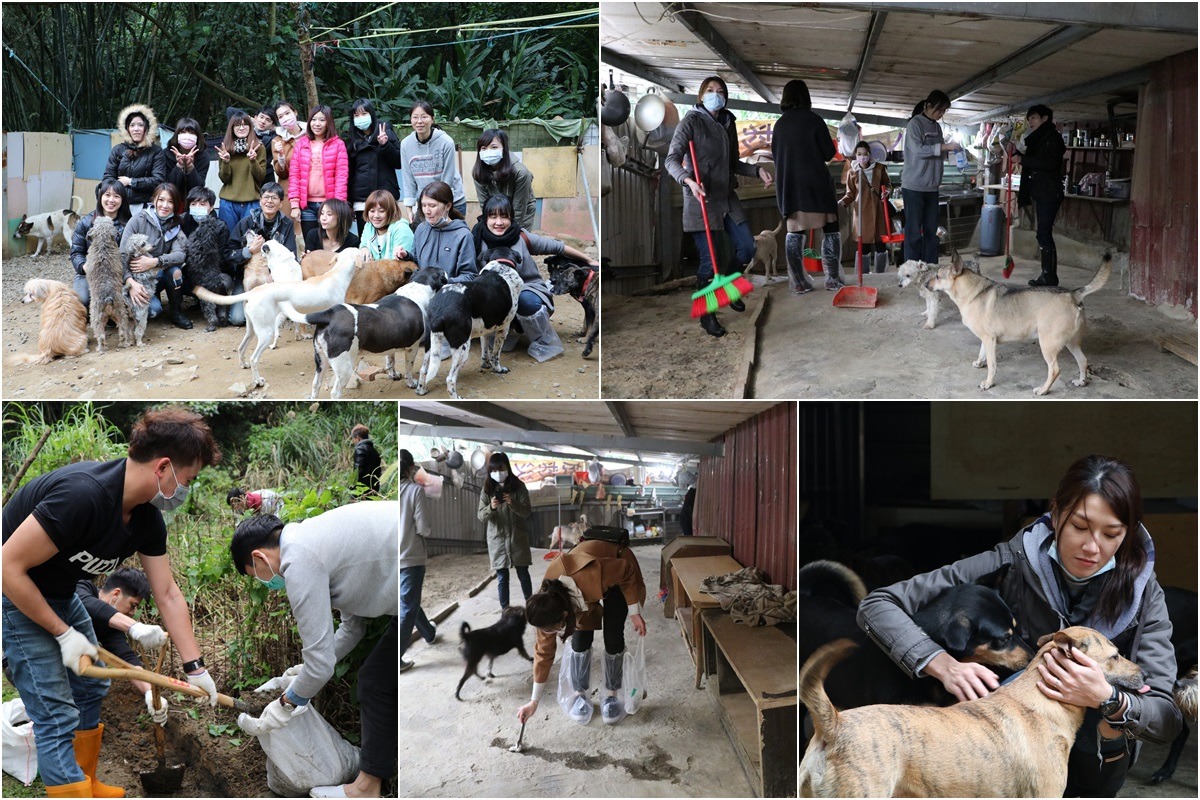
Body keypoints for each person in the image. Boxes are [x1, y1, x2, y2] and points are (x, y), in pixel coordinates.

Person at [857, 454, 1181, 797]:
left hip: (1098, 754)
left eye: (1111, 533)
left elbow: (1167, 718)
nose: (1092, 547)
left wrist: (1107, 698)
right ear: (1055, 514)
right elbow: (878, 605)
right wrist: (941, 663)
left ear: (1128, 533)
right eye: (1079, 527)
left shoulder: (1144, 596)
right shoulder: (1009, 563)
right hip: (1000, 754)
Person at [2, 407, 223, 798]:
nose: (186, 490)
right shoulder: (82, 495)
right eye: (188, 480)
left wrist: (195, 668)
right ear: (163, 467)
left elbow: (168, 593)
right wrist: (62, 633)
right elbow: (7, 567)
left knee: (90, 690)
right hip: (12, 594)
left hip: (60, 593)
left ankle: (84, 781)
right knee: (55, 715)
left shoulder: (146, 520)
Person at [229, 501, 397, 799]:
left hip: (411, 579)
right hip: (408, 573)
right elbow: (352, 627)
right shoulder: (311, 541)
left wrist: (285, 704)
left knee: (374, 682)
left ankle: (366, 788)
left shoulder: (299, 559)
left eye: (256, 575)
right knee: (379, 679)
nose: (264, 583)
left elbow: (320, 665)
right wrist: (301, 673)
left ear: (259, 557)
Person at [665, 75, 772, 338]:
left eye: (720, 91)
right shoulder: (691, 121)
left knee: (747, 247)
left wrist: (757, 170)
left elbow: (733, 163)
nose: (716, 94)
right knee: (708, 262)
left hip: (726, 197)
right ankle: (707, 313)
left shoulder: (728, 121)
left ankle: (728, 289)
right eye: (710, 90)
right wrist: (688, 180)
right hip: (700, 197)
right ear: (701, 96)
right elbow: (671, 159)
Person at [519, 538, 648, 726]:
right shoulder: (545, 605)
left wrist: (634, 612)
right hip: (581, 589)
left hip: (614, 573)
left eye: (555, 629)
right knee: (579, 642)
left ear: (564, 614)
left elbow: (626, 570)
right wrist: (534, 701)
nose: (551, 633)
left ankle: (612, 695)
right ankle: (580, 695)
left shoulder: (595, 575)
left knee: (613, 635)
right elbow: (543, 652)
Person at [473, 194, 598, 361]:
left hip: (526, 288)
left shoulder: (521, 237)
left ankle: (542, 341)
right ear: (485, 218)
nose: (499, 222)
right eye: (493, 216)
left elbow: (557, 246)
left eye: (504, 216)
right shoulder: (475, 240)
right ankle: (504, 334)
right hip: (493, 294)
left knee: (527, 301)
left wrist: (588, 259)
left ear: (511, 217)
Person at [772, 78, 845, 295]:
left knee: (795, 233)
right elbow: (828, 154)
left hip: (790, 187)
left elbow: (776, 156)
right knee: (830, 228)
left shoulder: (780, 124)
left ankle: (799, 283)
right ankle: (832, 279)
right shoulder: (815, 121)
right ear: (806, 97)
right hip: (816, 184)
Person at [74, 568, 168, 726]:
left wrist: (149, 692)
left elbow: (127, 660)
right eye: (132, 605)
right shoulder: (81, 587)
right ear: (116, 594)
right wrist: (134, 626)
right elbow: (84, 603)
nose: (132, 612)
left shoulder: (110, 630)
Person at [120, 182, 192, 330]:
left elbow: (180, 255)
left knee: (175, 271)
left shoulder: (175, 225)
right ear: (154, 200)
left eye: (170, 201)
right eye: (161, 200)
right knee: (153, 311)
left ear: (175, 205)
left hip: (159, 273)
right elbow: (121, 254)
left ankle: (176, 311)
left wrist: (155, 261)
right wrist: (130, 283)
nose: (165, 205)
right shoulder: (138, 220)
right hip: (139, 279)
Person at [224, 182, 298, 325]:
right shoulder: (246, 223)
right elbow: (228, 253)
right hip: (248, 275)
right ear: (260, 200)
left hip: (273, 279)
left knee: (270, 317)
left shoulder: (286, 224)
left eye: (274, 198)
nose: (269, 201)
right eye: (266, 197)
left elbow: (290, 255)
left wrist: (276, 274)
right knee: (237, 319)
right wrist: (249, 250)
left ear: (281, 203)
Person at [901, 90, 960, 264]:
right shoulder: (915, 124)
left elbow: (939, 153)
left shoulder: (937, 126)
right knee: (913, 232)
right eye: (939, 110)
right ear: (928, 105)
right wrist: (943, 147)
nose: (941, 115)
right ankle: (911, 270)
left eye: (943, 111)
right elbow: (918, 150)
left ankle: (931, 269)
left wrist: (954, 152)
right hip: (914, 187)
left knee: (931, 232)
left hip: (932, 187)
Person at [1016, 104, 1067, 287]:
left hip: (1049, 192)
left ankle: (1049, 277)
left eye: (1034, 118)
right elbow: (1033, 161)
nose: (1030, 122)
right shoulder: (1037, 139)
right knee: (1043, 233)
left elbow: (1049, 163)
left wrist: (1022, 159)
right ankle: (1048, 275)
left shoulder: (1053, 138)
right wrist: (1016, 154)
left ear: (1045, 119)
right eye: (1029, 118)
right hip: (1042, 192)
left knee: (1044, 233)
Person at [476, 453, 533, 611]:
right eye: (494, 469)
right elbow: (481, 515)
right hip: (498, 540)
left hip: (517, 539)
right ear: (490, 471)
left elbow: (527, 512)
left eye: (501, 468)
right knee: (502, 577)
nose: (498, 472)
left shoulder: (519, 487)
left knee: (523, 573)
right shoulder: (487, 489)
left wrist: (512, 503)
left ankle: (531, 605)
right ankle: (505, 610)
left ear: (507, 467)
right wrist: (491, 507)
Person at [398, 450, 437, 673]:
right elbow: (423, 527)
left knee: (408, 601)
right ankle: (398, 657)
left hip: (391, 557)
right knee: (408, 606)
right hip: (411, 556)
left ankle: (429, 633)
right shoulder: (415, 491)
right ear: (411, 467)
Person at [289, 105, 349, 244]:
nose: (317, 123)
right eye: (314, 119)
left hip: (329, 206)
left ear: (329, 122)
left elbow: (341, 176)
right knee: (311, 244)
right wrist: (294, 205)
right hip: (306, 206)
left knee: (331, 245)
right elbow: (294, 176)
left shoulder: (338, 144)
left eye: (322, 120)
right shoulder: (301, 144)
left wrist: (338, 206)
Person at [345, 98, 405, 235]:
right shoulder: (352, 140)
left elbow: (399, 162)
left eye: (364, 114)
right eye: (356, 115)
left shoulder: (385, 130)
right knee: (366, 238)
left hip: (386, 195)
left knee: (390, 236)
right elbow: (349, 173)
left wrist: (385, 145)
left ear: (371, 114)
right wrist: (348, 201)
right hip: (362, 200)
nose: (361, 118)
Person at [401, 101, 467, 220]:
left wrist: (441, 208)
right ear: (410, 120)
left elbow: (447, 179)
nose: (419, 121)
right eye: (415, 117)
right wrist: (409, 208)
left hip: (451, 202)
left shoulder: (446, 142)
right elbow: (408, 178)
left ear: (432, 119)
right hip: (426, 204)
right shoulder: (406, 144)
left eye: (424, 117)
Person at [70, 179, 131, 307]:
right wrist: (84, 266)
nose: (111, 200)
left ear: (122, 199)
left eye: (116, 196)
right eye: (107, 195)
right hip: (91, 273)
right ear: (100, 196)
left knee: (126, 302)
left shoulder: (129, 224)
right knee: (82, 300)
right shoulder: (86, 222)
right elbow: (76, 252)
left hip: (118, 274)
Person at [102, 104, 166, 216]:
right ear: (127, 129)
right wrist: (113, 195)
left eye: (140, 125)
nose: (136, 129)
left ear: (147, 128)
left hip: (144, 206)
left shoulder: (156, 151)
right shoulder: (118, 150)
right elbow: (108, 177)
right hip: (118, 205)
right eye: (132, 125)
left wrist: (131, 182)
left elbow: (158, 180)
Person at [840, 140, 893, 275]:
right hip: (861, 213)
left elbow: (888, 184)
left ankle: (881, 274)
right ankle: (862, 275)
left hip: (879, 211)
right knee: (863, 245)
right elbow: (850, 194)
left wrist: (886, 191)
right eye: (859, 154)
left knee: (881, 244)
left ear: (870, 154)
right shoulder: (852, 172)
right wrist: (842, 202)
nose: (862, 157)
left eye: (865, 154)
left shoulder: (880, 168)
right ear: (855, 155)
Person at [472, 129, 537, 231]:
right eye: (484, 148)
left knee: (516, 239)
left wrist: (510, 231)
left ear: (504, 148)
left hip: (522, 211)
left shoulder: (521, 173)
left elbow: (519, 208)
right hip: (495, 210)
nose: (488, 151)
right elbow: (484, 204)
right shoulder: (478, 172)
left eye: (494, 147)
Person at [410, 181, 475, 280]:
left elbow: (469, 275)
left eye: (432, 206)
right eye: (423, 205)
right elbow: (415, 262)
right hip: (422, 291)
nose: (427, 211)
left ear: (448, 206)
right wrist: (406, 256)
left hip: (449, 292)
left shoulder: (463, 235)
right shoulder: (421, 229)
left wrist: (443, 283)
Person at [215, 111, 267, 235]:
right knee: (227, 239)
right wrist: (226, 161)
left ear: (251, 127)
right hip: (228, 203)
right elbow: (224, 179)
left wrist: (253, 160)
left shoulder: (259, 147)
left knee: (251, 240)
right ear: (232, 128)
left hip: (251, 201)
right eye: (237, 125)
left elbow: (260, 177)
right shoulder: (225, 148)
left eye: (245, 124)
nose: (242, 128)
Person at [270, 100, 307, 243]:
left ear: (295, 112)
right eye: (280, 116)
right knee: (290, 236)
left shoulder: (310, 134)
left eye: (287, 113)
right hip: (289, 194)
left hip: (311, 192)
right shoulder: (277, 141)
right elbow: (281, 173)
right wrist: (280, 156)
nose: (285, 118)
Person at [163, 118, 210, 215]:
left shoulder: (203, 156)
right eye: (183, 132)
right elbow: (167, 185)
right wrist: (179, 165)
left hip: (193, 206)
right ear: (177, 134)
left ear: (197, 136)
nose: (187, 136)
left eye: (191, 132)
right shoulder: (166, 153)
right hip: (171, 203)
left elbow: (199, 186)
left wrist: (190, 167)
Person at [358, 191, 413, 262]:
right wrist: (364, 248)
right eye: (372, 211)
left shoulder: (401, 228)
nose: (376, 216)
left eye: (381, 211)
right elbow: (363, 244)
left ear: (391, 211)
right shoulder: (368, 226)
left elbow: (400, 264)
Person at [351, 425, 383, 494]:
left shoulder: (360, 449)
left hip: (362, 490)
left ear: (358, 438)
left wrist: (352, 489)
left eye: (353, 439)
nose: (352, 441)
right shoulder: (374, 451)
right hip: (374, 489)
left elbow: (358, 471)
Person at [250, 106, 278, 184]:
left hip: (265, 177)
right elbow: (230, 111)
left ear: (272, 125)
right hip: (246, 176)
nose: (263, 121)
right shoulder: (246, 132)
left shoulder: (274, 138)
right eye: (261, 117)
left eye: (268, 120)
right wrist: (252, 120)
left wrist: (275, 128)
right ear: (255, 117)